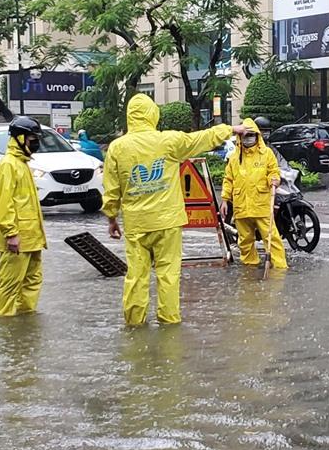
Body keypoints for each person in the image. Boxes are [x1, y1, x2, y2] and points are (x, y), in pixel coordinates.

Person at [102, 93, 246, 326]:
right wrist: (230, 129)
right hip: (167, 223)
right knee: (168, 275)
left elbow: (111, 188)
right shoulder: (168, 141)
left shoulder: (117, 148)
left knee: (136, 277)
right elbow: (201, 139)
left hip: (136, 224)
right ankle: (169, 325)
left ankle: (134, 325)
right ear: (152, 115)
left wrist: (111, 218)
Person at [0, 116, 47, 317]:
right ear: (20, 138)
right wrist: (11, 233)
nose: (35, 143)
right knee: (9, 286)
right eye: (32, 139)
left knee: (32, 281)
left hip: (31, 238)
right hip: (17, 239)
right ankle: (5, 327)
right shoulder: (8, 165)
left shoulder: (22, 164)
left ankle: (24, 326)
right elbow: (4, 202)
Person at [220, 119, 288, 270]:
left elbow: (273, 171)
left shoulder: (266, 154)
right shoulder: (234, 158)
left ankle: (279, 267)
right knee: (245, 241)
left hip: (261, 204)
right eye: (245, 135)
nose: (248, 138)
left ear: (257, 136)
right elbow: (228, 179)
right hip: (241, 205)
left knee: (271, 237)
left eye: (251, 134)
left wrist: (274, 180)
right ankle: (250, 268)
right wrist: (225, 200)